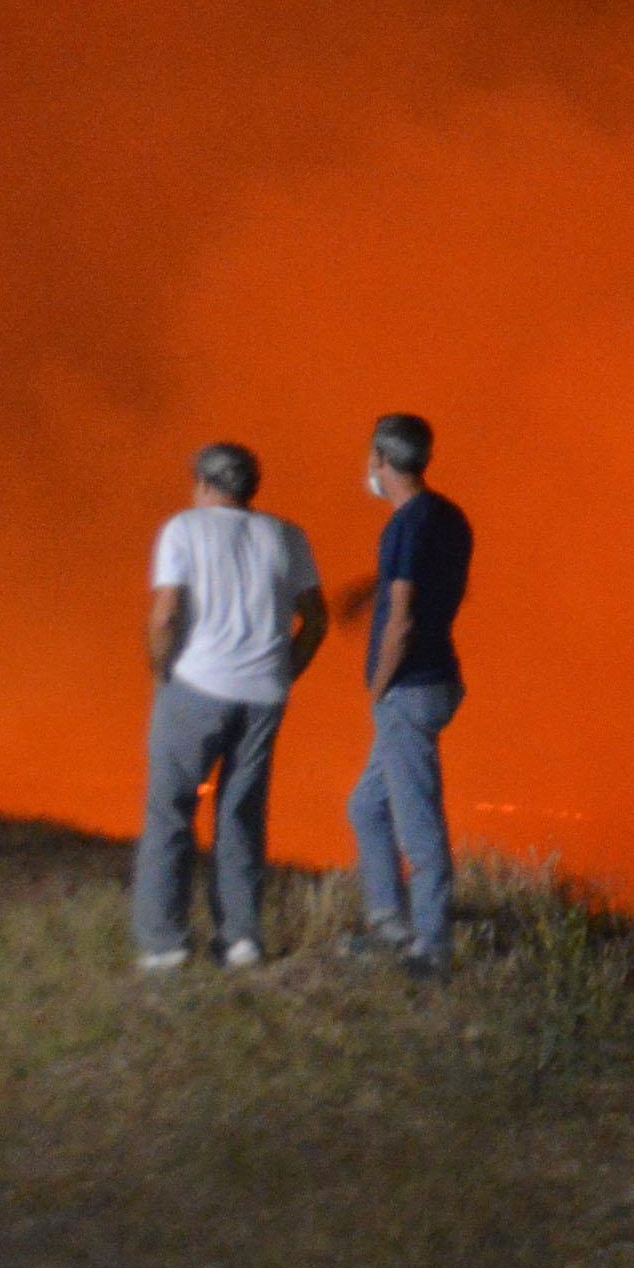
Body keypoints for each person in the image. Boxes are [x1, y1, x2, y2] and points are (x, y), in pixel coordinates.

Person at [136, 440, 325, 972]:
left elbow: (165, 615)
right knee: (241, 814)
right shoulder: (287, 535)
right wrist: (285, 671)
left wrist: (160, 672)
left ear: (202, 482)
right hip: (263, 695)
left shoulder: (183, 529)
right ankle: (241, 939)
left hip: (195, 687)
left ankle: (165, 942)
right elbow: (316, 619)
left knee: (170, 812)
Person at [343, 413, 474, 979]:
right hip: (439, 678)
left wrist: (378, 688)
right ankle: (388, 924)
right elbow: (427, 582)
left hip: (408, 688)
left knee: (416, 822)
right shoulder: (447, 517)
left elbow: (400, 618)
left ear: (381, 458)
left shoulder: (403, 526)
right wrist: (368, 587)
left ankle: (431, 946)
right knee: (365, 806)